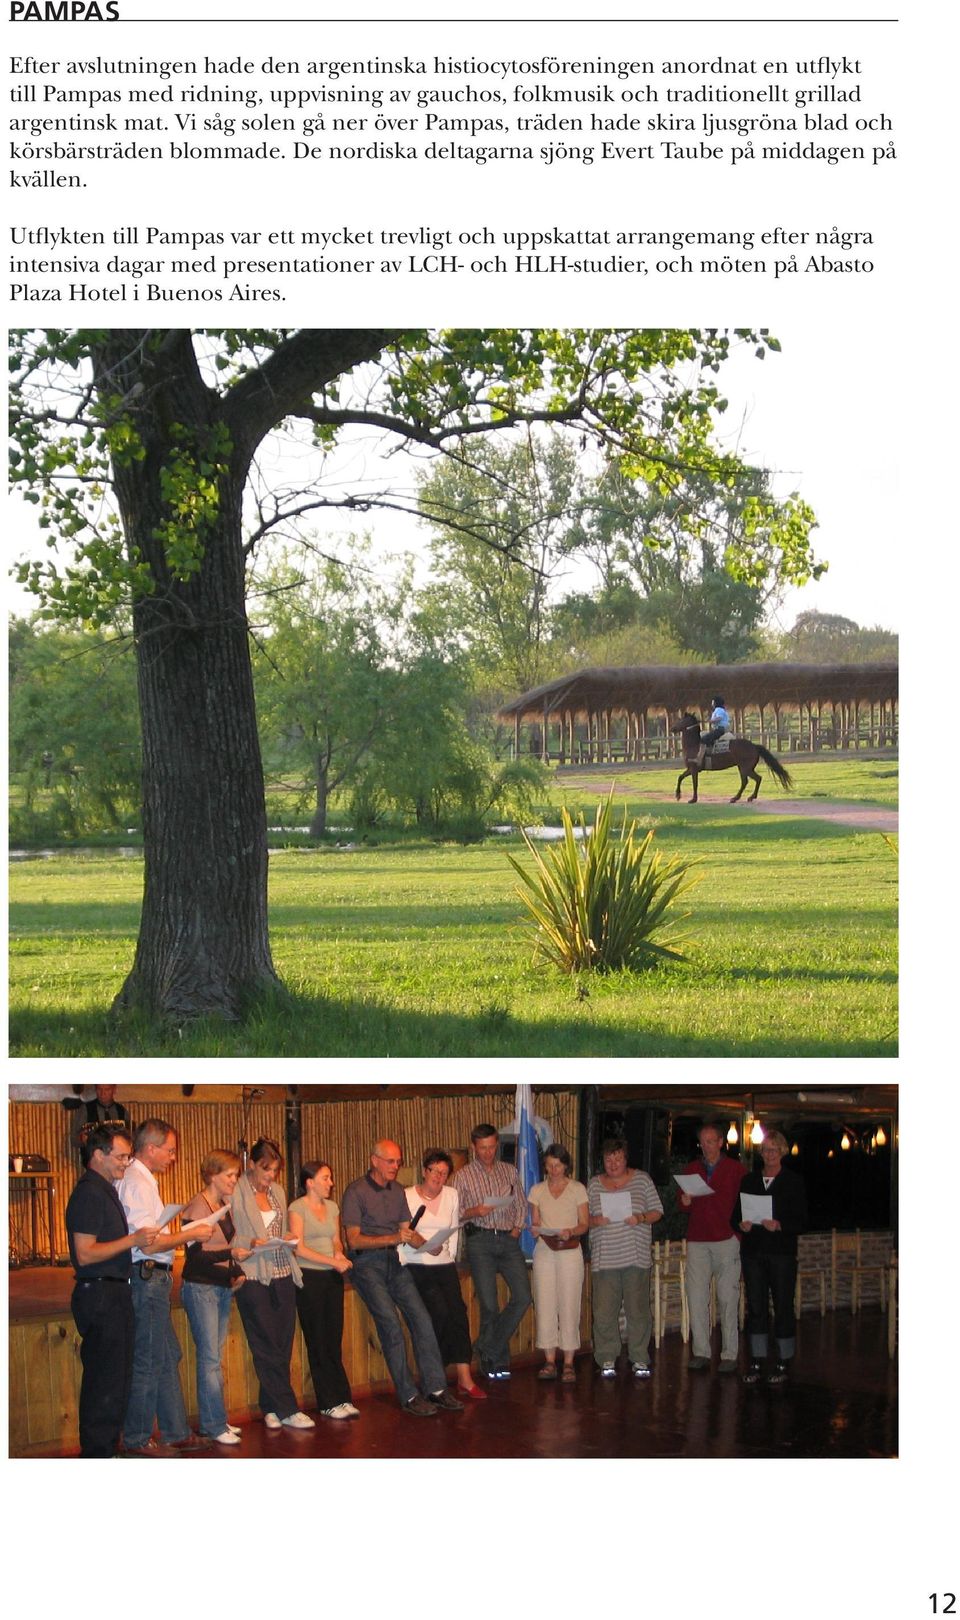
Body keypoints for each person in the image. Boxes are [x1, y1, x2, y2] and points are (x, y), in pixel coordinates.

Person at [341, 1138, 464, 1417]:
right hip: (366, 1265)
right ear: (374, 1160)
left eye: (398, 1161)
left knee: (422, 1319)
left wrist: (429, 1244)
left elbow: (406, 1230)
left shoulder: (397, 1191)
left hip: (394, 1262)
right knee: (391, 1324)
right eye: (390, 1161)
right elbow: (354, 1240)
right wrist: (395, 1238)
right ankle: (408, 1394)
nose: (396, 1166)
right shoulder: (356, 1192)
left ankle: (436, 1388)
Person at [117, 1118, 214, 1455]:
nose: (173, 1157)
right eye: (170, 1151)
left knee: (168, 1353)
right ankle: (137, 1438)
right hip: (146, 1277)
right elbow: (147, 1244)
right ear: (151, 1148)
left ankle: (174, 1430)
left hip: (153, 1279)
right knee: (149, 1359)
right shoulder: (138, 1183)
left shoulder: (143, 1180)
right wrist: (191, 1233)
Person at [65, 1125, 158, 1458]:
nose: (126, 1163)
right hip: (100, 1295)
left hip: (113, 1293)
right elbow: (86, 1253)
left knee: (116, 1380)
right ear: (98, 1155)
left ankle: (107, 1449)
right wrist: (133, 1240)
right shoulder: (89, 1193)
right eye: (120, 1157)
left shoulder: (104, 1190)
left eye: (128, 1156)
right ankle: (98, 1454)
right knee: (104, 1383)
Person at [230, 1137, 314, 1431]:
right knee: (264, 1342)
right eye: (266, 1170)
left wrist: (289, 1237)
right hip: (253, 1273)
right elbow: (229, 1236)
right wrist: (250, 1241)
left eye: (275, 1171)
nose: (271, 1177)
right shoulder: (236, 1192)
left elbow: (280, 1226)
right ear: (251, 1165)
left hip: (282, 1271)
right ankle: (288, 1407)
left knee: (282, 1341)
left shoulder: (277, 1191)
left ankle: (270, 1406)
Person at [400, 1148, 485, 1401]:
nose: (439, 1177)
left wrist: (451, 1254)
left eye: (444, 1172)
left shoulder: (452, 1194)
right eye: (434, 1171)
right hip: (416, 1262)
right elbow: (404, 1232)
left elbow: (454, 1228)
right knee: (437, 1312)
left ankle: (464, 1377)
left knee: (458, 1313)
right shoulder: (406, 1196)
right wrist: (423, 1245)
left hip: (444, 1262)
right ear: (424, 1171)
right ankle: (434, 1378)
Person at [453, 1122, 532, 1380]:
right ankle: (496, 1361)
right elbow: (454, 1215)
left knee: (523, 1297)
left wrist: (517, 1230)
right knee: (489, 1305)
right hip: (480, 1241)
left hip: (508, 1239)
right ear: (474, 1147)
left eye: (491, 1147)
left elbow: (521, 1204)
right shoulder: (463, 1176)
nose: (487, 1153)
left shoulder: (509, 1171)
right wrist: (475, 1211)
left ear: (497, 1145)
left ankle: (486, 1347)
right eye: (482, 1148)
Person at [180, 1149, 245, 1445]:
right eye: (230, 1175)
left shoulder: (223, 1205)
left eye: (236, 1175)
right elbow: (194, 1257)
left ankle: (216, 1420)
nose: (234, 1180)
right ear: (212, 1174)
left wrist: (237, 1268)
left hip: (219, 1285)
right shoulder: (197, 1206)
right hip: (201, 1286)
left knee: (215, 1356)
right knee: (209, 1359)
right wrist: (230, 1255)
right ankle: (213, 1424)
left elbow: (225, 1247)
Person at [288, 1160, 359, 1421]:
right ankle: (327, 1401)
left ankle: (342, 1397)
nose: (331, 1183)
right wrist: (334, 1261)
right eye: (326, 1178)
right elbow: (299, 1247)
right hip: (310, 1278)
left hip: (332, 1278)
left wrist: (339, 1254)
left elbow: (335, 1240)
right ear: (310, 1182)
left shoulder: (332, 1207)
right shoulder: (297, 1207)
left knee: (333, 1338)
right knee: (317, 1339)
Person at [736, 1130, 808, 1386]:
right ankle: (756, 1359)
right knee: (755, 1307)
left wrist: (779, 1225)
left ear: (782, 1152)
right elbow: (736, 1214)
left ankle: (783, 1360)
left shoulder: (793, 1181)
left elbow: (801, 1220)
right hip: (753, 1251)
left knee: (783, 1306)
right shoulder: (749, 1180)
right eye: (766, 1150)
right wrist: (741, 1224)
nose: (769, 1154)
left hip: (781, 1253)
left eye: (774, 1150)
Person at [587, 1136, 663, 1379]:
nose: (613, 1163)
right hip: (604, 1256)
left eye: (617, 1157)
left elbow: (657, 1211)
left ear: (625, 1158)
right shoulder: (594, 1184)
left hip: (635, 1256)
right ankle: (606, 1356)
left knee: (638, 1309)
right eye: (608, 1159)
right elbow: (582, 1218)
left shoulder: (642, 1179)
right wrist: (594, 1221)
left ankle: (639, 1356)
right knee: (603, 1311)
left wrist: (640, 1218)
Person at [678, 1122, 748, 1373]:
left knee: (728, 1297)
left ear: (721, 1142)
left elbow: (745, 1205)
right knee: (696, 1296)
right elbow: (683, 1205)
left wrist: (737, 1235)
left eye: (711, 1141)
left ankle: (729, 1354)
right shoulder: (692, 1169)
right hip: (697, 1239)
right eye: (703, 1141)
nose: (706, 1146)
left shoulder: (736, 1170)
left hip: (726, 1239)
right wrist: (685, 1201)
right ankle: (701, 1352)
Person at [528, 1144, 589, 1383]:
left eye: (558, 1165)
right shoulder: (537, 1190)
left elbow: (584, 1223)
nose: (554, 1169)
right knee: (545, 1303)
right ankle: (550, 1360)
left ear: (566, 1165)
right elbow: (536, 1222)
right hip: (544, 1249)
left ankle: (569, 1362)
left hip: (570, 1248)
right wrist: (534, 1230)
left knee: (569, 1303)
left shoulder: (577, 1189)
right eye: (550, 1165)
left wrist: (571, 1231)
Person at [71, 1085, 131, 1156]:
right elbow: (74, 1139)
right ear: (95, 1090)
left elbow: (130, 1138)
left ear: (114, 1090)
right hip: (93, 1159)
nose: (103, 1093)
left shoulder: (122, 1111)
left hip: (118, 1159)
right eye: (99, 1089)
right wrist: (82, 1139)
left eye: (107, 1090)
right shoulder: (85, 1110)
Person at [696, 695, 733, 768]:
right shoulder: (721, 710)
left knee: (703, 740)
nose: (711, 704)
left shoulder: (719, 709)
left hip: (719, 729)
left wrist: (710, 721)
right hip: (720, 729)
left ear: (716, 703)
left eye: (713, 702)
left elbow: (719, 718)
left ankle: (699, 759)